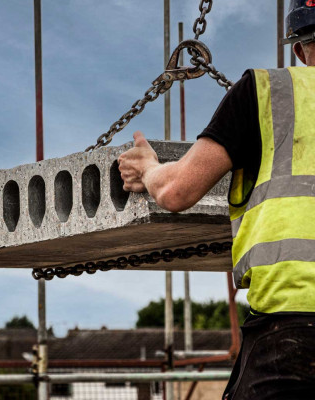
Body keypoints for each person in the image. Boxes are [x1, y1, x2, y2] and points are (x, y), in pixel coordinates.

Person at [118, 1, 315, 399]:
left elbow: (176, 192)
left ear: (299, 49)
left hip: (292, 332)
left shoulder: (266, 92)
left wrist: (148, 168)